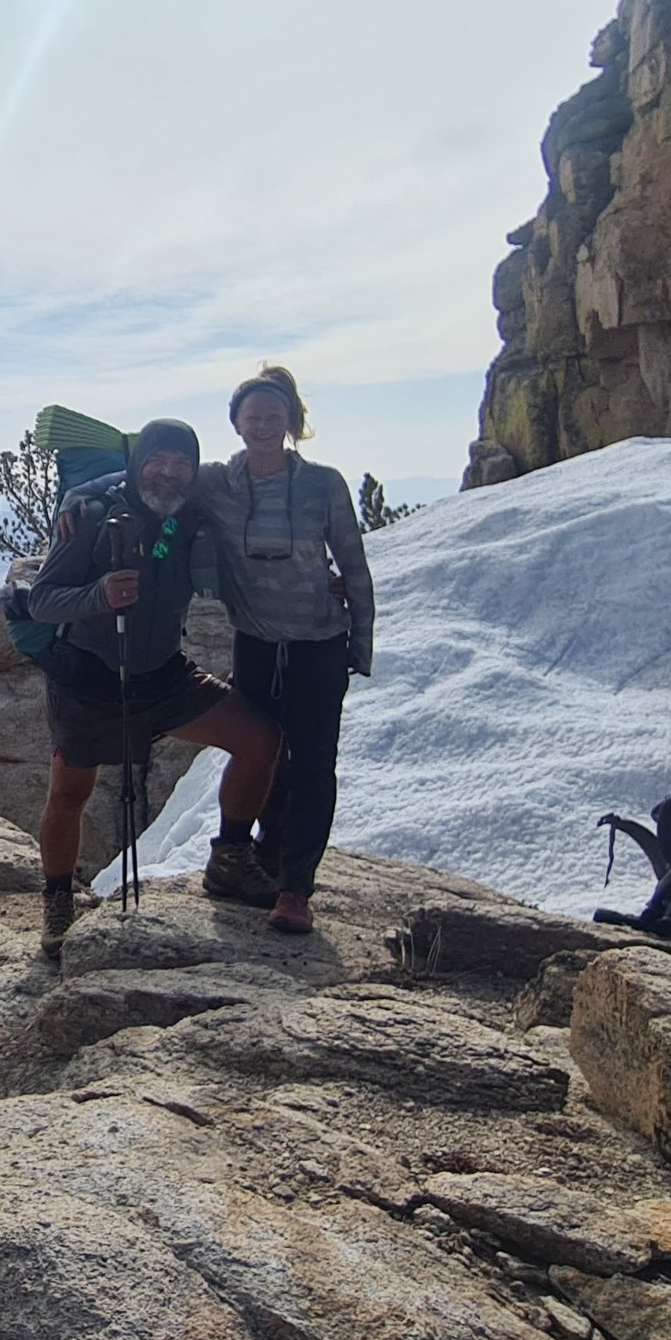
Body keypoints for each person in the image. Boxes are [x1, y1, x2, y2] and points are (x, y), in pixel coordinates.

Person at [25, 418, 280, 962]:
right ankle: (58, 900)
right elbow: (42, 600)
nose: (169, 473)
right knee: (69, 795)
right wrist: (97, 594)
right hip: (90, 678)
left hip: (164, 674)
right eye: (158, 461)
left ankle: (230, 858)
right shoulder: (91, 516)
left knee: (259, 740)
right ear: (139, 463)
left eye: (181, 463)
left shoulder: (193, 513)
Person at [197, 365, 373, 936]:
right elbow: (151, 473)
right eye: (253, 415)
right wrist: (79, 504)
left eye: (274, 414)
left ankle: (295, 888)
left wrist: (360, 644)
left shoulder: (324, 484)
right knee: (262, 756)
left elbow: (353, 564)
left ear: (292, 421)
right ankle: (261, 863)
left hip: (318, 646)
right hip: (254, 645)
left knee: (313, 766)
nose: (263, 424)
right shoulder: (215, 483)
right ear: (236, 423)